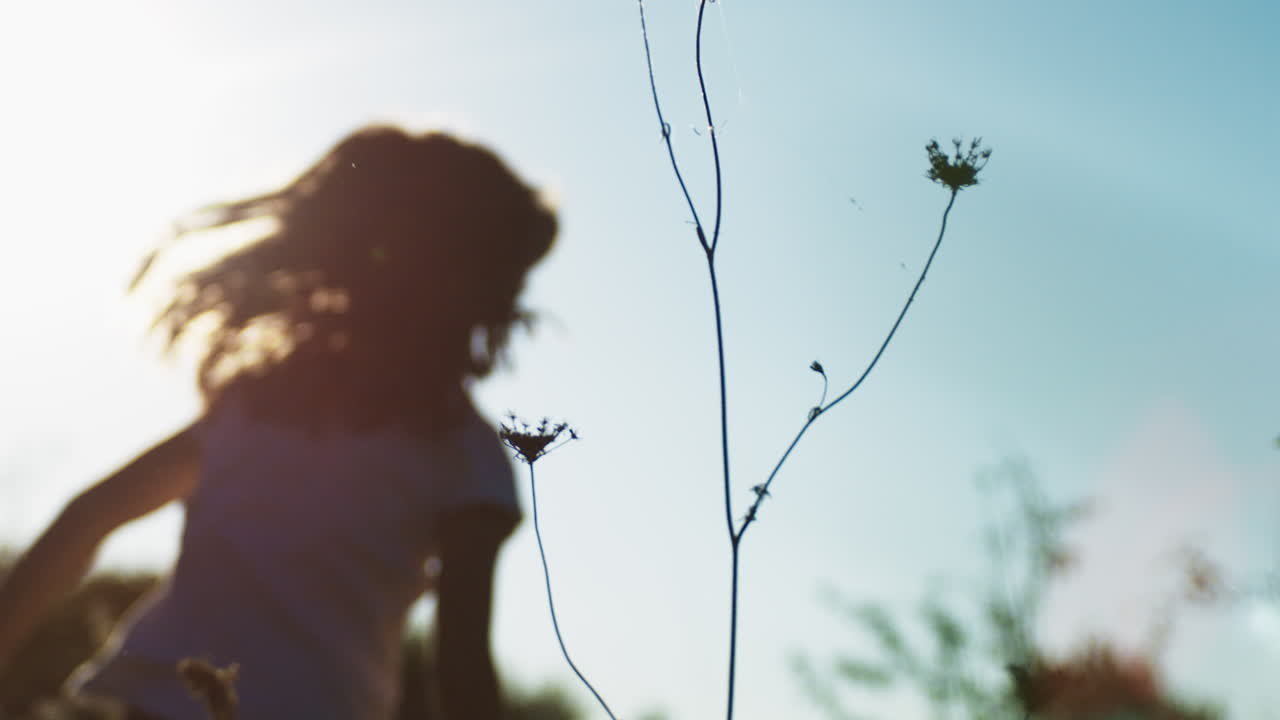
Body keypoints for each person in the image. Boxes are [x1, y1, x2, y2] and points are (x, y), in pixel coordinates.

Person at [0, 125, 557, 720]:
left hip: (153, 702)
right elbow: (462, 665)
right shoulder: (464, 455)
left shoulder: (254, 411)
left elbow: (86, 519)